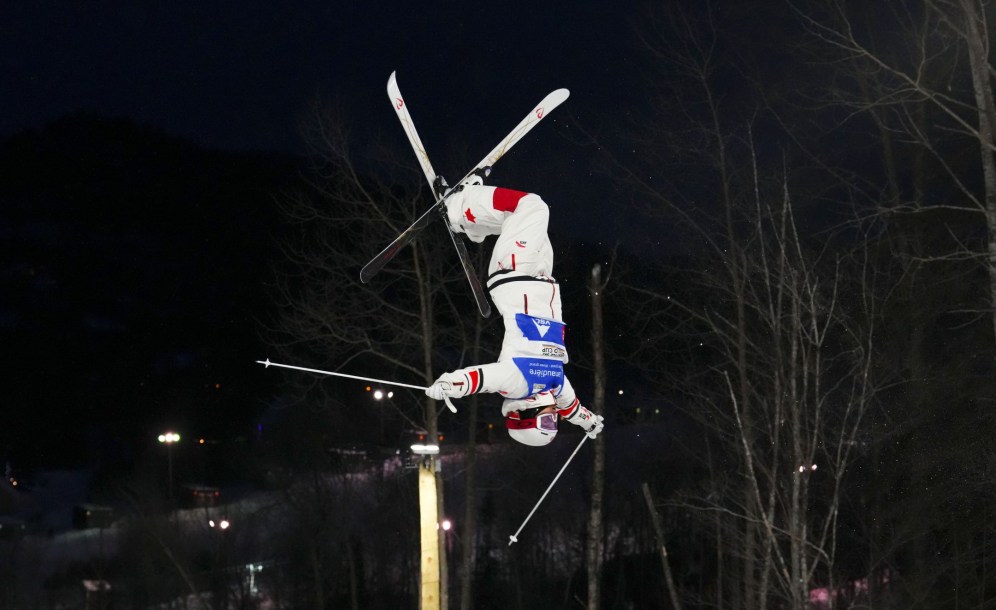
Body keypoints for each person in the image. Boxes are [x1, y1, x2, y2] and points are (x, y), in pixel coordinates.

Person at [424, 176, 604, 446]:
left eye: (546, 421)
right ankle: (474, 225)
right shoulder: (554, 387)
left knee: (532, 207)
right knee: (522, 220)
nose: (553, 416)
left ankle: (457, 206)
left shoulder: (518, 382)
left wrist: (451, 385)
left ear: (524, 414)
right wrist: (588, 421)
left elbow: (481, 379)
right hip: (543, 279)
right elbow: (572, 407)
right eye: (554, 423)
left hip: (515, 274)